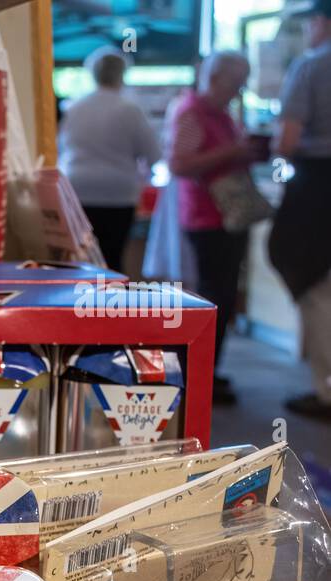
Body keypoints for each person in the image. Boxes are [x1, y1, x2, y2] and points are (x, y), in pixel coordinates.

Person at [166, 50, 261, 406]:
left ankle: (207, 369)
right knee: (213, 296)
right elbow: (179, 163)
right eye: (236, 83)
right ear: (217, 78)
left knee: (220, 296)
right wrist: (232, 153)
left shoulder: (217, 113)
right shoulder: (192, 111)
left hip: (224, 217)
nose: (239, 91)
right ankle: (199, 373)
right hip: (208, 217)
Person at [270, 0, 331, 420]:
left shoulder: (312, 67)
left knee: (317, 289)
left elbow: (286, 142)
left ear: (320, 23)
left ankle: (327, 391)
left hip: (318, 187)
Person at [59, 46, 161, 270]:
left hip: (78, 190)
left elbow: (62, 149)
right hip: (118, 194)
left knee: (82, 260)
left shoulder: (74, 107)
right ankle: (111, 303)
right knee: (112, 258)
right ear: (122, 74)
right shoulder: (130, 109)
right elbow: (154, 153)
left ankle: (80, 303)